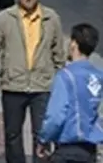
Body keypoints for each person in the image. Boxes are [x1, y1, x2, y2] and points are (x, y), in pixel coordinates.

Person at [0, 0, 67, 163]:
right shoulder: (5, 19)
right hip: (13, 85)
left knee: (42, 135)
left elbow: (59, 53)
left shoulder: (51, 19)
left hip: (42, 87)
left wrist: (62, 82)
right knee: (12, 135)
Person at [36, 23, 103, 163]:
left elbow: (55, 116)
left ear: (74, 44)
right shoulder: (98, 76)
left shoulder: (65, 76)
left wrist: (43, 139)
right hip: (90, 150)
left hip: (66, 149)